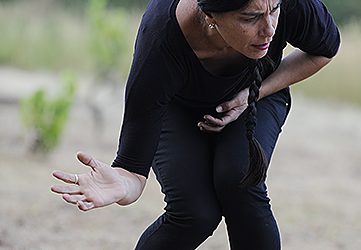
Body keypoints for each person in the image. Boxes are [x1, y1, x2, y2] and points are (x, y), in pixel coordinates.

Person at [51, 0, 340, 249]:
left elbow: (325, 49)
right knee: (194, 213)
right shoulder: (161, 41)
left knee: (239, 179)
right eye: (250, 18)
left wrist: (253, 94)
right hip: (179, 107)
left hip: (259, 90)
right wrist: (122, 185)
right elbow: (132, 170)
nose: (269, 29)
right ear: (210, 16)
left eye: (274, 10)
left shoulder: (287, 4)